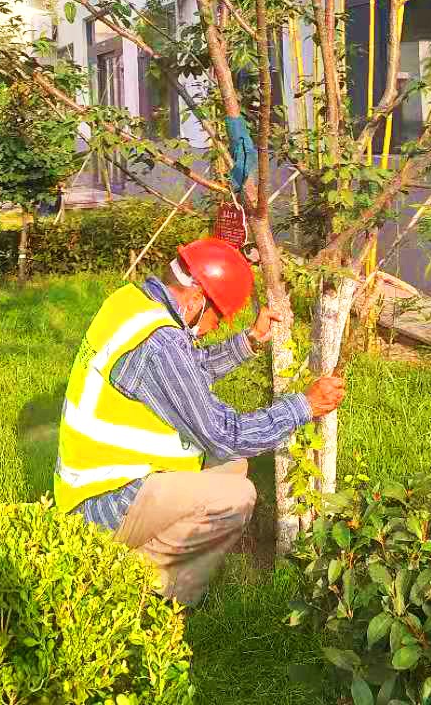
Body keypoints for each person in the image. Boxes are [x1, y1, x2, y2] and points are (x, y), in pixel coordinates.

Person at [54, 236, 346, 606]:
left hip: (93, 484)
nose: (213, 328)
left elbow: (183, 376)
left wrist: (248, 342)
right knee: (236, 497)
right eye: (217, 318)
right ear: (196, 301)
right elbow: (224, 435)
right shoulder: (160, 343)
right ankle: (133, 588)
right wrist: (303, 406)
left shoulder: (132, 304)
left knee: (232, 468)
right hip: (100, 506)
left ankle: (153, 582)